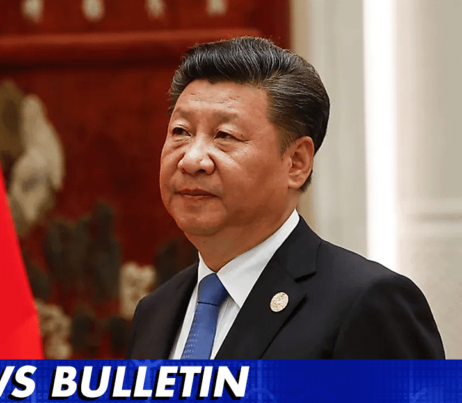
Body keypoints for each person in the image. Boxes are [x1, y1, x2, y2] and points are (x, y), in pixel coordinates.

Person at [126, 37, 444, 359]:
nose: (192, 159)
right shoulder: (155, 312)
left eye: (224, 135)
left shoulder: (368, 303)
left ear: (296, 163)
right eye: (181, 132)